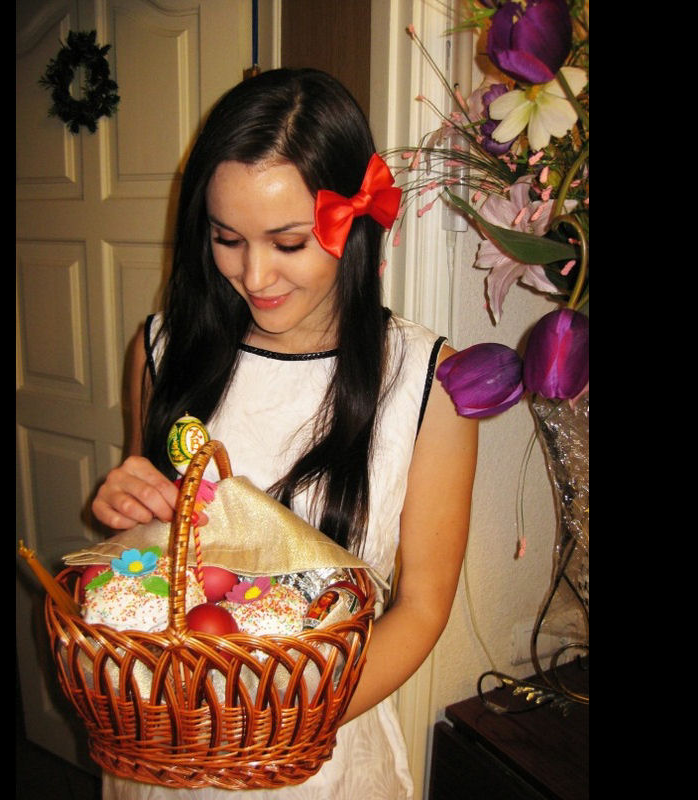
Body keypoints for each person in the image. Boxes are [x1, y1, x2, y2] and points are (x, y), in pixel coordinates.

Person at [92, 68, 478, 800]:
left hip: (317, 755)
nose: (254, 274)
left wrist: (272, 726)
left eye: (289, 242)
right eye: (226, 239)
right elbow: (151, 549)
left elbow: (423, 605)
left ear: (353, 222)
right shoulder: (162, 349)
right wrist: (127, 506)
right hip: (166, 740)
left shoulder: (430, 382)